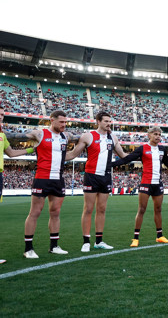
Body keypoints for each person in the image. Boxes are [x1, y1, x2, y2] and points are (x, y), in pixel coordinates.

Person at [65, 111, 127, 252]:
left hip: (106, 176)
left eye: (110, 121)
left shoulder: (113, 137)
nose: (108, 123)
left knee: (102, 209)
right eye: (106, 121)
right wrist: (54, 155)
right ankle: (86, 241)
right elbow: (73, 154)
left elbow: (123, 155)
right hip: (91, 175)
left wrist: (141, 155)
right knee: (88, 209)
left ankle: (99, 241)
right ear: (98, 121)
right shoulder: (88, 136)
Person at [19, 110, 77, 258]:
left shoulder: (66, 136)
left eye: (66, 122)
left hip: (58, 179)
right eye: (61, 122)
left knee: (55, 213)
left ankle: (54, 246)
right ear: (52, 120)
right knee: (35, 212)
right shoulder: (40, 134)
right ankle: (28, 249)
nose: (64, 125)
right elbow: (16, 136)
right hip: (42, 178)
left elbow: (74, 149)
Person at [111, 126, 168, 247]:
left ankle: (160, 236)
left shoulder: (162, 149)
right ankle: (135, 238)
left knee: (158, 210)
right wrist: (111, 164)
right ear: (149, 135)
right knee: (141, 209)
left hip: (158, 183)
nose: (157, 136)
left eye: (159, 134)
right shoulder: (142, 149)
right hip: (146, 183)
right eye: (155, 134)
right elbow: (127, 159)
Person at [0, 106, 30, 262]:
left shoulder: (1, 135)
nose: (1, 117)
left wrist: (31, 150)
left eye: (2, 115)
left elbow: (11, 153)